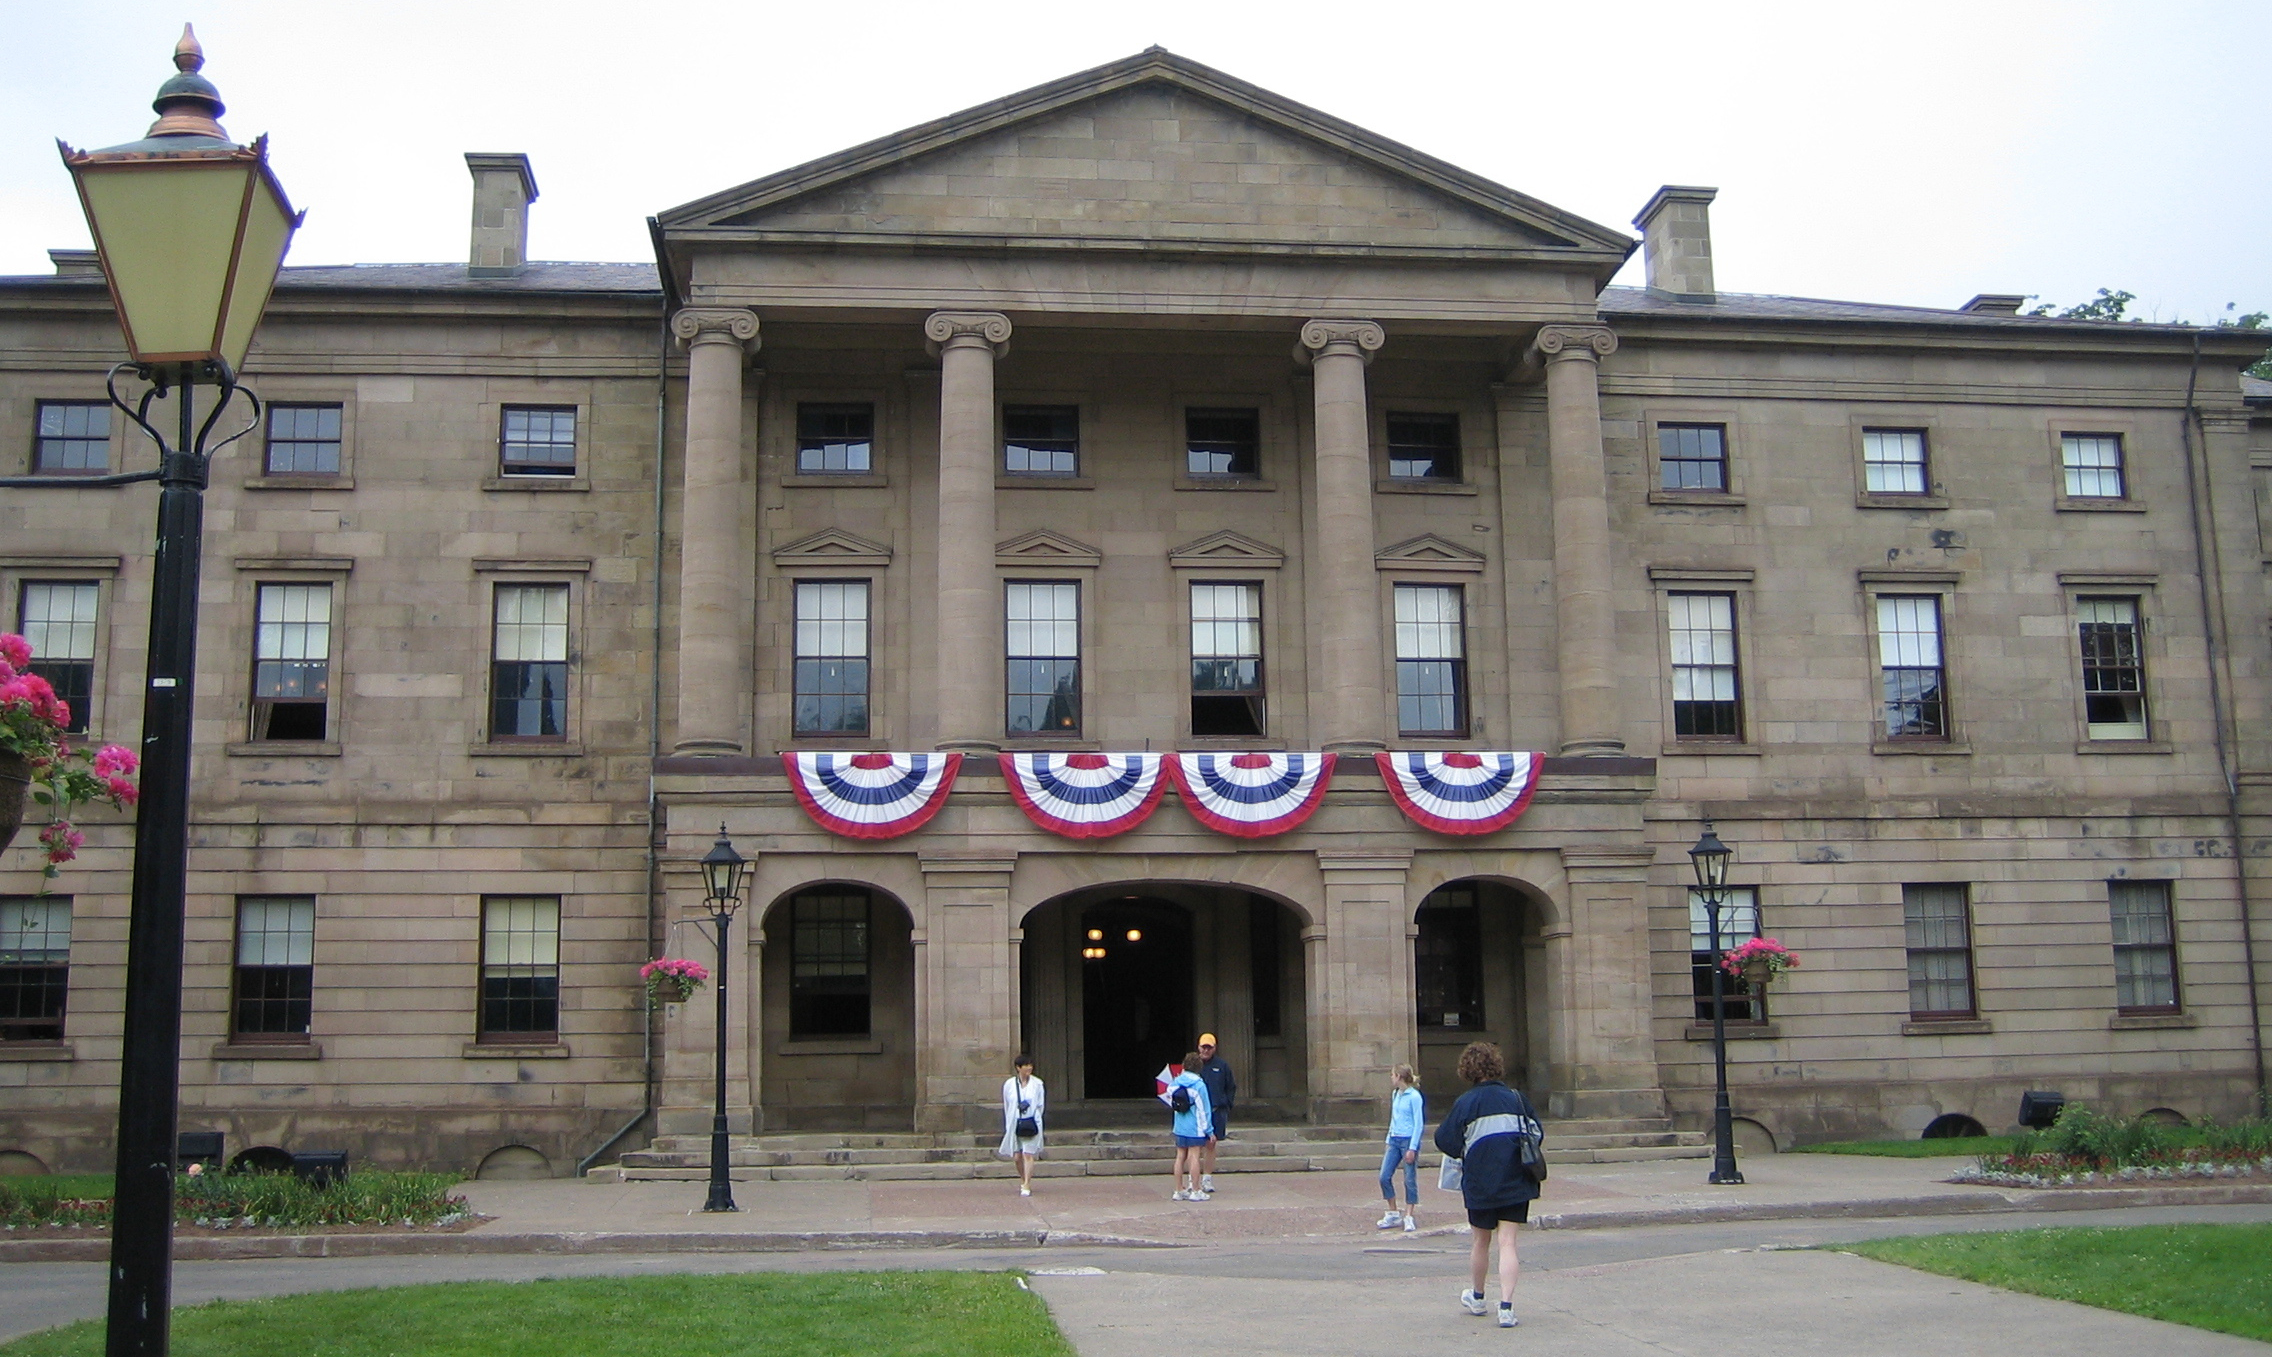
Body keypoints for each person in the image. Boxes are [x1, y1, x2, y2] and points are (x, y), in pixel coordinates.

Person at [1432, 1041, 1542, 1330]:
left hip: (1480, 1181)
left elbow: (1445, 1140)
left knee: (1481, 1241)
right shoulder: (1517, 1098)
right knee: (1509, 1242)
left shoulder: (1466, 1103)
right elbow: (1536, 1133)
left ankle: (1478, 1298)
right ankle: (1506, 1308)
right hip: (1516, 1179)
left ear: (1468, 1069)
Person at [1376, 1063, 1424, 1234]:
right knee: (1384, 1176)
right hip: (1395, 1139)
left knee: (1409, 1179)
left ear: (1399, 1077)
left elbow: (1418, 1123)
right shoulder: (1396, 1094)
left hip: (1408, 1139)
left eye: (1392, 1075)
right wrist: (1389, 1138)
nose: (1391, 1078)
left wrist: (1412, 1147)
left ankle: (1409, 1215)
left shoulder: (1414, 1096)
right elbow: (1394, 1118)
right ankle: (1393, 1211)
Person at [1166, 1050, 1214, 1200]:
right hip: (1196, 1127)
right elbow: (1204, 1110)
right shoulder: (1199, 1085)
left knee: (1180, 1157)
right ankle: (1196, 1189)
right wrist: (1209, 1131)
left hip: (1180, 1126)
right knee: (1194, 1157)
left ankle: (1178, 1190)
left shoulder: (1175, 1083)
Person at [998, 1053, 1045, 1197]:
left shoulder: (1037, 1084)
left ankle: (1027, 1184)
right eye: (1026, 1065)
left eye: (1030, 1065)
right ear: (1018, 1068)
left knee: (1028, 1154)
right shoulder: (1009, 1084)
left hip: (1031, 1121)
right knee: (1017, 1156)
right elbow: (1007, 1104)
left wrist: (1035, 1118)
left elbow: (1040, 1104)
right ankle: (1023, 1178)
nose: (1029, 1068)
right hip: (1015, 1121)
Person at [1194, 1033, 1236, 1192]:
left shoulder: (1222, 1065)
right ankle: (1194, 1178)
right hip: (1197, 1113)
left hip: (1216, 1111)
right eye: (1203, 1047)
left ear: (1214, 1048)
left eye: (1208, 1047)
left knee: (1211, 1145)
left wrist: (1226, 1104)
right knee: (1195, 1146)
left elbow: (1230, 1086)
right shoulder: (1193, 1065)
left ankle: (1207, 1178)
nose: (1205, 1050)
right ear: (1198, 1047)